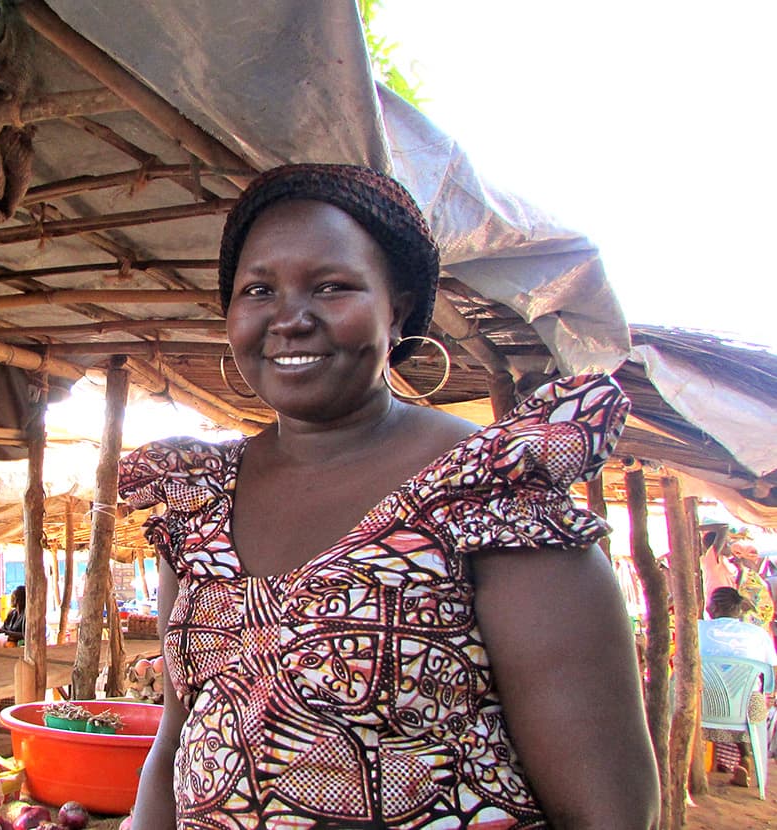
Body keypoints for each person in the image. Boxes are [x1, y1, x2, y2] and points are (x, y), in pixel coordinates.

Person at [120, 164, 658, 828]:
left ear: (396, 307)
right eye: (258, 289)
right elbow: (176, 741)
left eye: (332, 287)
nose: (290, 318)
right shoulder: (197, 503)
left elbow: (609, 812)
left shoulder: (488, 494)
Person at [698, 586, 777, 787]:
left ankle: (690, 763)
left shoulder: (696, 628)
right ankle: (747, 756)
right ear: (739, 609)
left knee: (692, 692)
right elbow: (771, 674)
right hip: (746, 711)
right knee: (748, 696)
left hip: (702, 706)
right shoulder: (758, 634)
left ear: (712, 607)